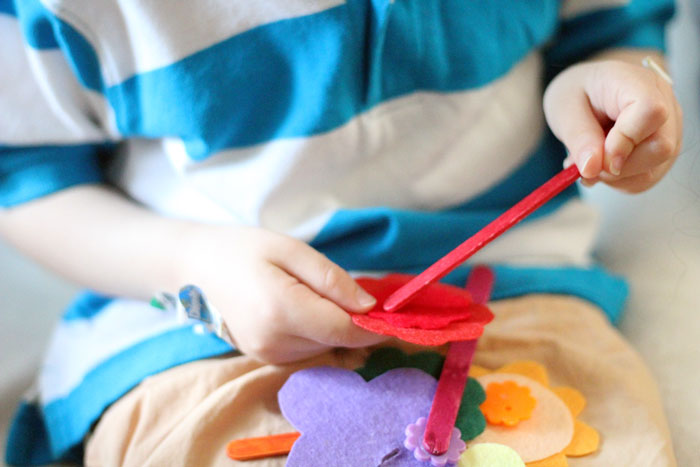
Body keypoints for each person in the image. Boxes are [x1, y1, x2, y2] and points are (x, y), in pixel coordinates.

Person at [0, 0, 680, 465]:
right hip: (196, 320)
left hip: (515, 280)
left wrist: (619, 79)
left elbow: (611, 25)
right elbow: (25, 173)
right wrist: (194, 261)